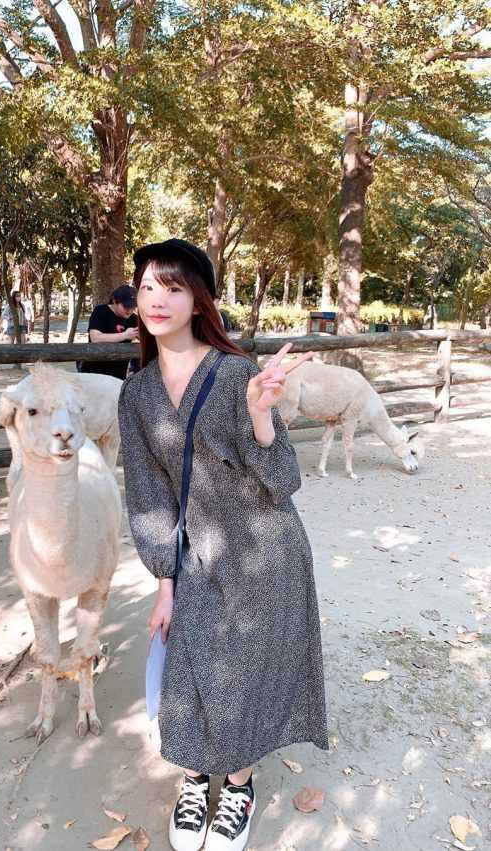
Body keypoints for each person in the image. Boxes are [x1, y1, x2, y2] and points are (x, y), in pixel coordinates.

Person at [118, 239, 328, 851]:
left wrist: (262, 415)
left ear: (197, 300)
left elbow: (284, 482)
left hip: (266, 548)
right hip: (196, 551)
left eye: (173, 287)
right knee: (190, 665)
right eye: (148, 285)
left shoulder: (237, 373)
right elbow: (150, 495)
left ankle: (236, 782)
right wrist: (165, 581)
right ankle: (194, 776)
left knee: (249, 669)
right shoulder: (136, 394)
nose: (157, 298)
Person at [80, 284, 139, 380]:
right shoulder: (101, 311)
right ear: (115, 301)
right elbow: (95, 338)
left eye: (133, 307)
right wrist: (125, 335)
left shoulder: (133, 319)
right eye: (126, 306)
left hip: (118, 374)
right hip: (94, 372)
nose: (130, 310)